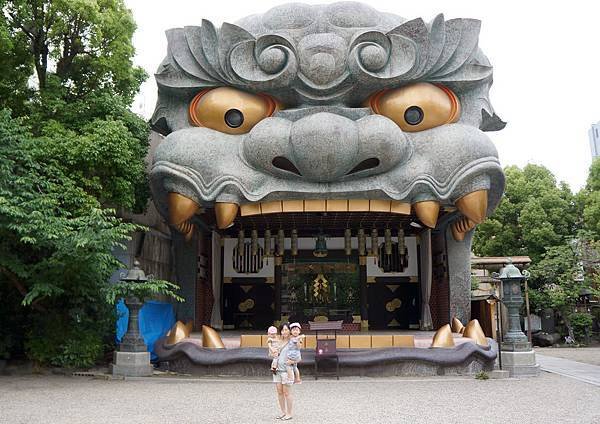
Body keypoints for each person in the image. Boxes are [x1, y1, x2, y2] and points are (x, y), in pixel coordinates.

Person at [273, 322, 294, 420]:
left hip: (287, 371)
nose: (284, 332)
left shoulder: (293, 342)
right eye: (282, 330)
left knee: (287, 393)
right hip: (277, 370)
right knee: (279, 392)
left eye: (286, 329)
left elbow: (298, 357)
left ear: (290, 331)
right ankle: (283, 412)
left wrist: (293, 361)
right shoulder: (278, 342)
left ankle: (289, 413)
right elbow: (274, 354)